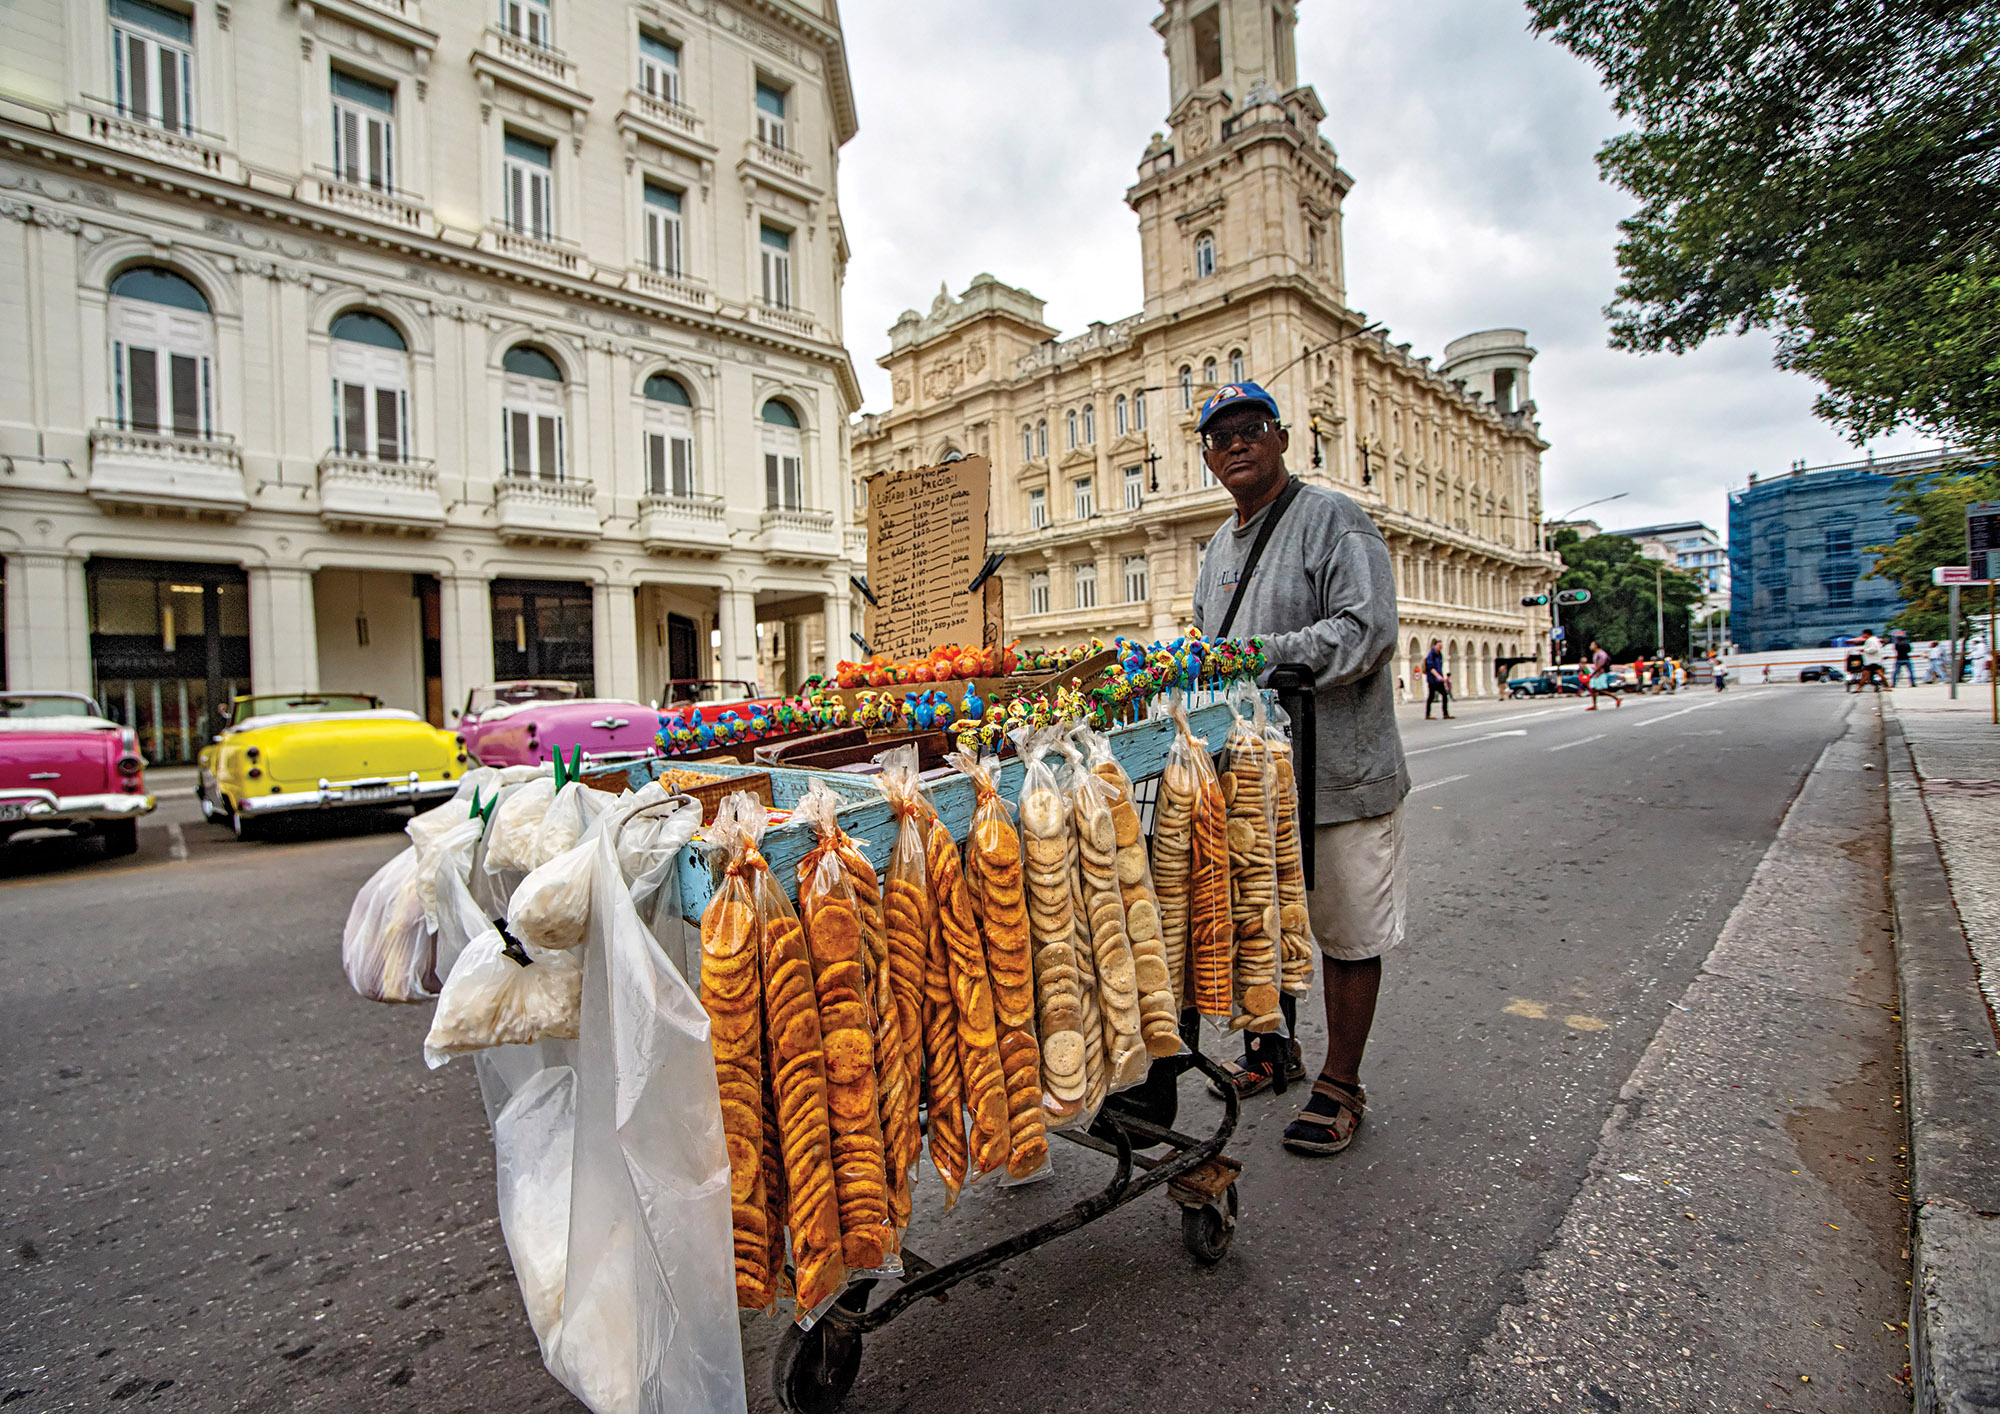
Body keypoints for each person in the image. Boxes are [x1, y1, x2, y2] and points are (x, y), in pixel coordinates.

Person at [1188, 380, 1408, 1158]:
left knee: (1347, 931)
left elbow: (1367, 631)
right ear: (1209, 457)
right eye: (1221, 437)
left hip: (1341, 770)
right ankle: (1272, 1047)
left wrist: (1257, 657)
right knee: (1262, 922)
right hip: (1258, 781)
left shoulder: (1335, 521)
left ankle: (1341, 1084)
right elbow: (1209, 654)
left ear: (1281, 438)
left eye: (1251, 428)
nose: (1237, 444)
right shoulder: (1218, 548)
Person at [1585, 641, 1620, 710]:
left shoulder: (1601, 654)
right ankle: (1594, 705)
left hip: (1600, 674)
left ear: (1596, 645)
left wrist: (1594, 673)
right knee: (1593, 689)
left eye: (1592, 645)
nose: (1591, 646)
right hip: (1596, 674)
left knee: (1600, 690)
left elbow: (1601, 664)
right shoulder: (1595, 653)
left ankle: (1616, 698)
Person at [1423, 639, 1452, 719]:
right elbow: (1431, 667)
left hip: (1439, 681)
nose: (1440, 648)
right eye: (1439, 646)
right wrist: (1438, 676)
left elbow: (1440, 667)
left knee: (1444, 695)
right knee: (1431, 697)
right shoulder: (1431, 655)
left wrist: (1442, 677)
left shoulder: (1440, 655)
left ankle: (1445, 714)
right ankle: (1427, 714)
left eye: (1441, 646)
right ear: (1435, 645)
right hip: (1432, 680)